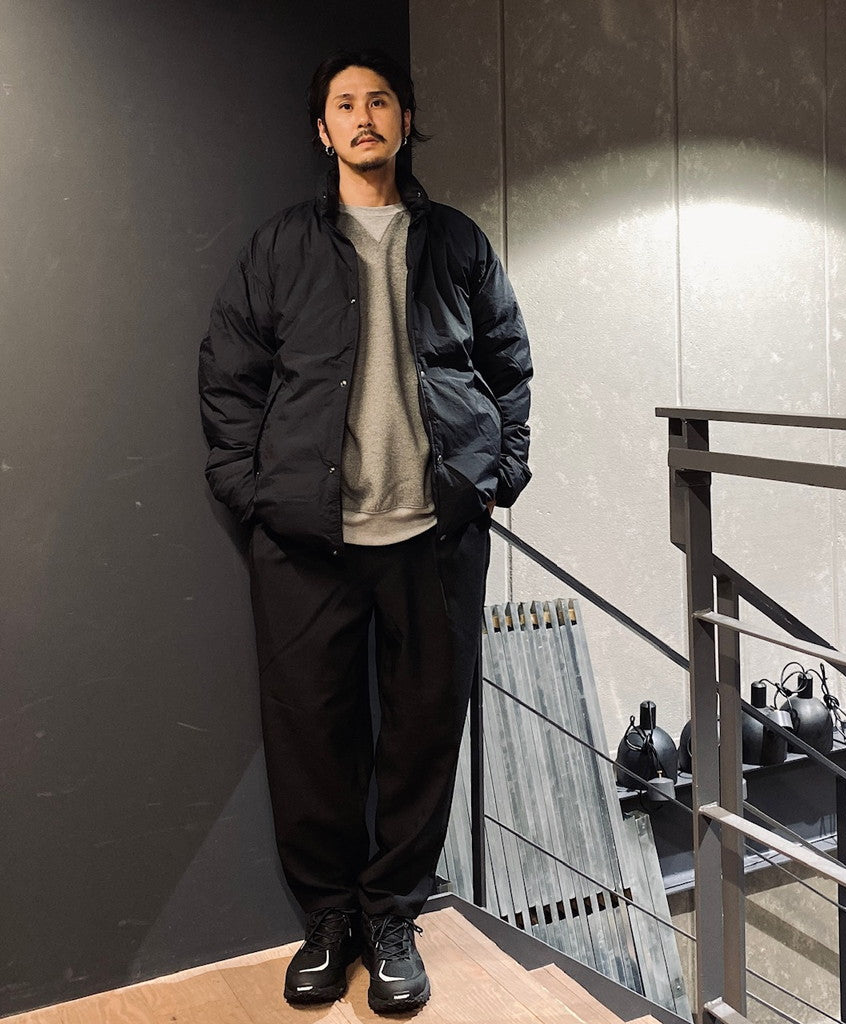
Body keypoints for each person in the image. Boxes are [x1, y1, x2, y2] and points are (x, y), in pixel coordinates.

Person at [197, 49, 532, 1014]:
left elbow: (508, 361)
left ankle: (392, 919)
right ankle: (328, 921)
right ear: (323, 129)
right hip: (309, 545)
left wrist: (499, 474)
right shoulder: (280, 247)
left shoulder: (456, 243)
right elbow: (227, 375)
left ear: (406, 118)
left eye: (379, 100)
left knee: (424, 736)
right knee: (310, 736)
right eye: (345, 104)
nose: (364, 116)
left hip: (434, 536)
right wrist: (249, 491)